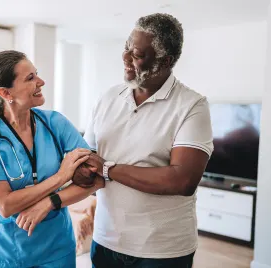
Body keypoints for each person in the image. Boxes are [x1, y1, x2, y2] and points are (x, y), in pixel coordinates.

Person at [74, 13, 214, 267]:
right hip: (106, 242)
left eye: (137, 54)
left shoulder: (192, 106)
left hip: (161, 251)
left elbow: (182, 180)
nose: (125, 58)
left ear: (165, 61)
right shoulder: (107, 98)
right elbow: (88, 161)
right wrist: (80, 171)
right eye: (126, 48)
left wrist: (108, 168)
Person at [0, 50, 103, 268]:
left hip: (56, 248)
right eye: (30, 78)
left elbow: (96, 178)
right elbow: (4, 204)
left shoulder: (55, 123)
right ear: (5, 92)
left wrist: (51, 202)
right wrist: (61, 177)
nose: (41, 82)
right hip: (5, 251)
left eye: (36, 74)